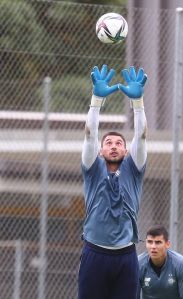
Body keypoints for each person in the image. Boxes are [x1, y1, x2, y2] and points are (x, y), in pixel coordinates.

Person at [78, 64, 148, 299]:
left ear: (126, 152)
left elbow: (141, 136)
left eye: (119, 143)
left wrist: (137, 105)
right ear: (100, 151)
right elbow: (90, 135)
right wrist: (96, 100)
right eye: (108, 143)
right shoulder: (92, 168)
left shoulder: (133, 168)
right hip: (94, 253)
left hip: (125, 256)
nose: (114, 146)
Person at [138, 225, 183, 299]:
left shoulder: (180, 263)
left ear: (167, 244)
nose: (153, 247)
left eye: (158, 242)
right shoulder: (138, 263)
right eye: (150, 242)